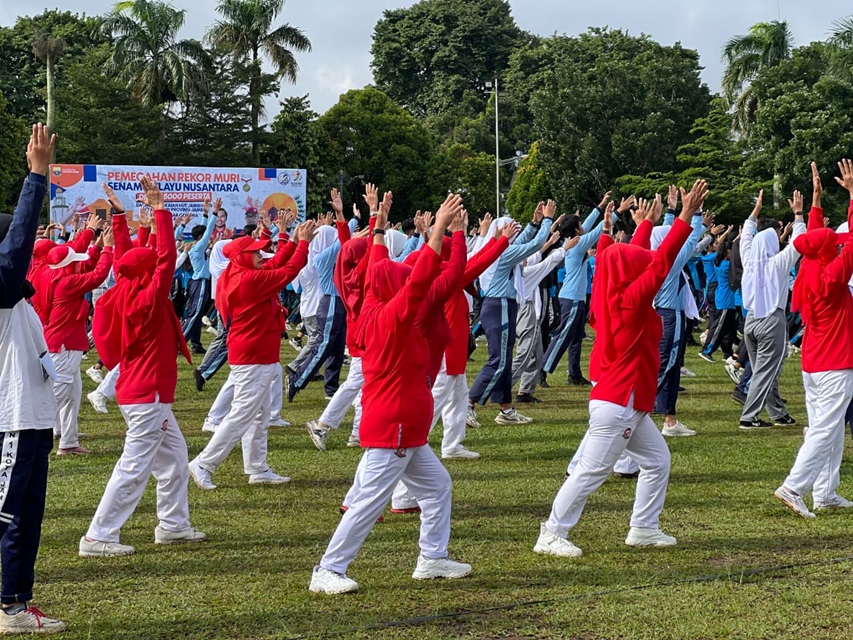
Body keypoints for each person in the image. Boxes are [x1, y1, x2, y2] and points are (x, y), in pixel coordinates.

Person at [533, 183, 708, 558]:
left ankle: (644, 528)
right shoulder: (631, 301)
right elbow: (657, 265)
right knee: (591, 472)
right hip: (619, 402)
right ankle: (551, 532)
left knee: (657, 461)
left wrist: (643, 225)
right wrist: (684, 218)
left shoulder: (610, 292)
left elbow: (635, 259)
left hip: (624, 400)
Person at [309, 194, 471, 594]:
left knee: (438, 488)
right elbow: (417, 283)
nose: (404, 278)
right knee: (368, 502)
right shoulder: (393, 317)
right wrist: (439, 232)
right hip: (395, 425)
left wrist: (379, 224)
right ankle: (328, 568)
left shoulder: (375, 306)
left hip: (406, 427)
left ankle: (432, 558)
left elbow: (376, 268)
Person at [81, 177, 205, 558]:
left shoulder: (125, 287)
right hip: (147, 394)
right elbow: (164, 258)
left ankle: (173, 524)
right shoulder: (148, 298)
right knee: (133, 467)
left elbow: (126, 257)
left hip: (143, 393)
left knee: (174, 458)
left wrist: (121, 217)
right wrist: (161, 210)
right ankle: (99, 535)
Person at [0, 124, 67, 634]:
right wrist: (36, 178)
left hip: (32, 419)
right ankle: (8, 605)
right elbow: (17, 250)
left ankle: (17, 604)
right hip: (11, 420)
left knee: (27, 516)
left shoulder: (18, 297)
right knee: (8, 519)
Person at [188, 220, 313, 490]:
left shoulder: (239, 272)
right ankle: (204, 463)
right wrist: (302, 244)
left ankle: (257, 467)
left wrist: (291, 242)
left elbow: (276, 264)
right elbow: (288, 271)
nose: (260, 256)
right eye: (255, 252)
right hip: (253, 355)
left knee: (258, 414)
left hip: (258, 353)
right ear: (243, 256)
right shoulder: (248, 279)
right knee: (242, 415)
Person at [775, 160, 853, 517]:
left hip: (814, 364)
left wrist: (816, 201)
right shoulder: (834, 275)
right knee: (824, 431)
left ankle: (825, 492)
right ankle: (794, 486)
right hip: (836, 364)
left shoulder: (809, 267)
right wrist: (852, 194)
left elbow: (818, 237)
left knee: (831, 429)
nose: (838, 247)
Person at [467, 202, 557, 425]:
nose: (513, 233)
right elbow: (535, 244)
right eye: (510, 229)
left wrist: (534, 223)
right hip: (500, 307)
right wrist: (547, 220)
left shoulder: (497, 248)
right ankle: (468, 404)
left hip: (500, 306)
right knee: (498, 361)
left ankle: (506, 409)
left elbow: (522, 240)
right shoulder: (505, 253)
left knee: (504, 361)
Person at [541, 193, 629, 386]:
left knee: (575, 338)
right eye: (579, 224)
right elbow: (598, 230)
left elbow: (588, 225)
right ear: (575, 230)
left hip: (575, 298)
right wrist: (617, 212)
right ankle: (542, 369)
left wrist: (601, 205)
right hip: (571, 299)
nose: (583, 226)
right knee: (564, 334)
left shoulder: (573, 240)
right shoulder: (578, 244)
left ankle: (574, 373)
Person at [738, 183, 805, 430]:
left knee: (765, 370)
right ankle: (749, 416)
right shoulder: (777, 263)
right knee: (767, 371)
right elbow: (798, 242)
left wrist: (754, 213)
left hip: (750, 322)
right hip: (771, 320)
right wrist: (798, 215)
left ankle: (778, 413)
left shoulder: (749, 260)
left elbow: (746, 237)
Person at [44, 230, 114, 455]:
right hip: (64, 343)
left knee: (72, 393)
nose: (78, 263)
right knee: (60, 393)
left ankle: (68, 440)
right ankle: (36, 434)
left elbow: (85, 268)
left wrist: (96, 246)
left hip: (63, 342)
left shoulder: (51, 275)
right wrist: (109, 249)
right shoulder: (67, 282)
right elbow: (97, 275)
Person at [179, 198, 219, 355]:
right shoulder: (198, 247)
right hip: (199, 282)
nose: (209, 238)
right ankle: (180, 343)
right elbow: (207, 230)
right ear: (201, 237)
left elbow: (203, 230)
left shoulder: (197, 246)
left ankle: (196, 344)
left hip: (197, 282)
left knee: (196, 314)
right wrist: (214, 213)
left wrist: (205, 212)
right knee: (194, 314)